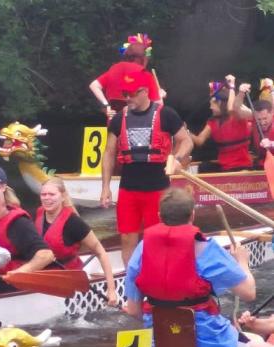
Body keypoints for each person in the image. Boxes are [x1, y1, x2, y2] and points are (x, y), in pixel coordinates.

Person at [124, 187, 274, 347]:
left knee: (256, 340)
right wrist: (242, 262)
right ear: (192, 215)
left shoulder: (141, 249)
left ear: (159, 216)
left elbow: (133, 310)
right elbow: (249, 292)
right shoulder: (207, 249)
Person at [100, 68, 193, 265]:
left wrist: (177, 158)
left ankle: (157, 279)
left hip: (157, 189)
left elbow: (186, 141)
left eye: (131, 94)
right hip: (128, 189)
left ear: (144, 91)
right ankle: (130, 284)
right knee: (127, 238)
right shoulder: (118, 119)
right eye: (124, 94)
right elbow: (108, 153)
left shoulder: (167, 115)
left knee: (156, 238)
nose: (127, 98)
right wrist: (105, 187)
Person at [37, 177, 118, 305]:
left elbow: (101, 252)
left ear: (63, 197)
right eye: (43, 194)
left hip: (68, 279)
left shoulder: (73, 222)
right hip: (42, 275)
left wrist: (111, 290)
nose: (47, 198)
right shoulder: (40, 213)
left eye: (52, 194)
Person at [0, 185, 54, 291]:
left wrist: (19, 273)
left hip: (8, 281)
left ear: (3, 205)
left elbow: (46, 255)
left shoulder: (19, 224)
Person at [89, 34, 163, 121]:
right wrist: (160, 94)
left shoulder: (114, 68)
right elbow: (158, 106)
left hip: (114, 123)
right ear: (143, 57)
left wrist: (106, 105)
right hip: (136, 124)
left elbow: (94, 85)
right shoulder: (143, 73)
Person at [190, 76, 254, 172]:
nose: (210, 107)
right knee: (204, 167)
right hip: (224, 166)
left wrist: (232, 87)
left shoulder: (236, 117)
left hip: (241, 166)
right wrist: (186, 131)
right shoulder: (212, 122)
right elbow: (199, 141)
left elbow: (231, 108)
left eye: (213, 104)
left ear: (221, 104)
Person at [237, 79, 274, 165]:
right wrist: (241, 93)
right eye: (259, 119)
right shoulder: (254, 117)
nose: (262, 122)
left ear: (272, 113)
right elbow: (236, 109)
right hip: (262, 164)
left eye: (265, 119)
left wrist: (271, 144)